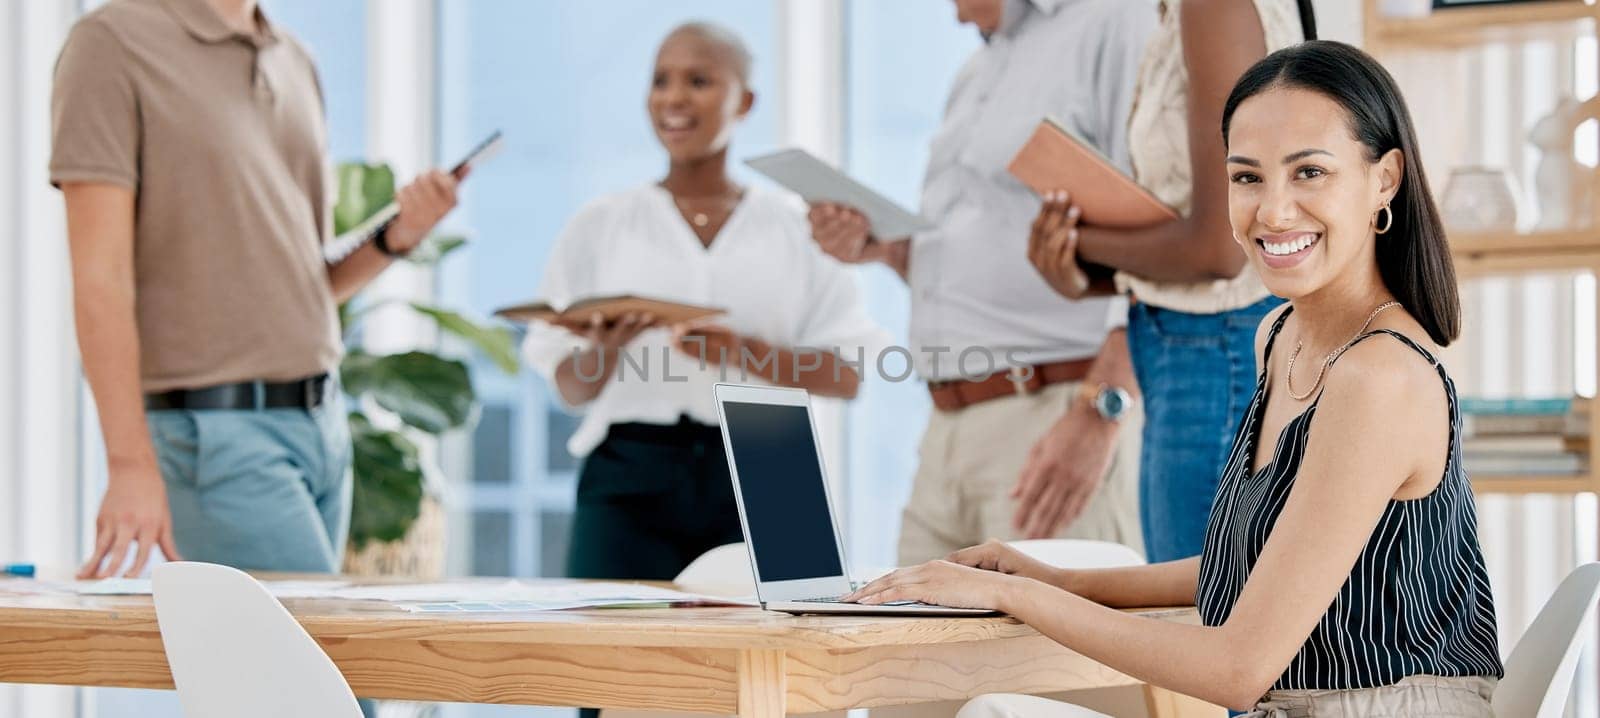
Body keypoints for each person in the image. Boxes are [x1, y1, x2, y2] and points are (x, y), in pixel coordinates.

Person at [845, 41, 1504, 717]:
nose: (1273, 212)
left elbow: (1237, 669)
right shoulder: (1281, 337)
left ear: (1385, 179)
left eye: (1309, 172)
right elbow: (1255, 569)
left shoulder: (1381, 376)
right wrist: (1056, 578)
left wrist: (1015, 596)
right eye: (1247, 178)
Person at [52, 0, 462, 580]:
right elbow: (100, 281)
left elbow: (305, 279)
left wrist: (398, 236)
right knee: (304, 662)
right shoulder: (112, 43)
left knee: (270, 664)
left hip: (323, 427)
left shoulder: (295, 59)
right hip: (217, 436)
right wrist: (128, 462)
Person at [522, 22, 885, 586]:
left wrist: (743, 353)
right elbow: (570, 389)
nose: (674, 98)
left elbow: (847, 377)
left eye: (698, 80)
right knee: (612, 653)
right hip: (630, 468)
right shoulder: (602, 225)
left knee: (791, 644)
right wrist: (605, 351)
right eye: (660, 81)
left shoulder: (798, 228)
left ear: (746, 101)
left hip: (773, 456)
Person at [808, 0, 1156, 564]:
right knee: (907, 649)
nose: (954, 18)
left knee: (1053, 654)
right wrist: (888, 251)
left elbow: (1154, 228)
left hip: (1051, 418)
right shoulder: (977, 73)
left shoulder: (1112, 21)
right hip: (945, 433)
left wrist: (1101, 414)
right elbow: (980, 246)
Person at [1026, 0, 1316, 563]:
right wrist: (1084, 274)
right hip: (1199, 345)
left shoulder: (1214, 7)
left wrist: (1079, 243)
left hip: (1213, 353)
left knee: (1201, 612)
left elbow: (1220, 250)